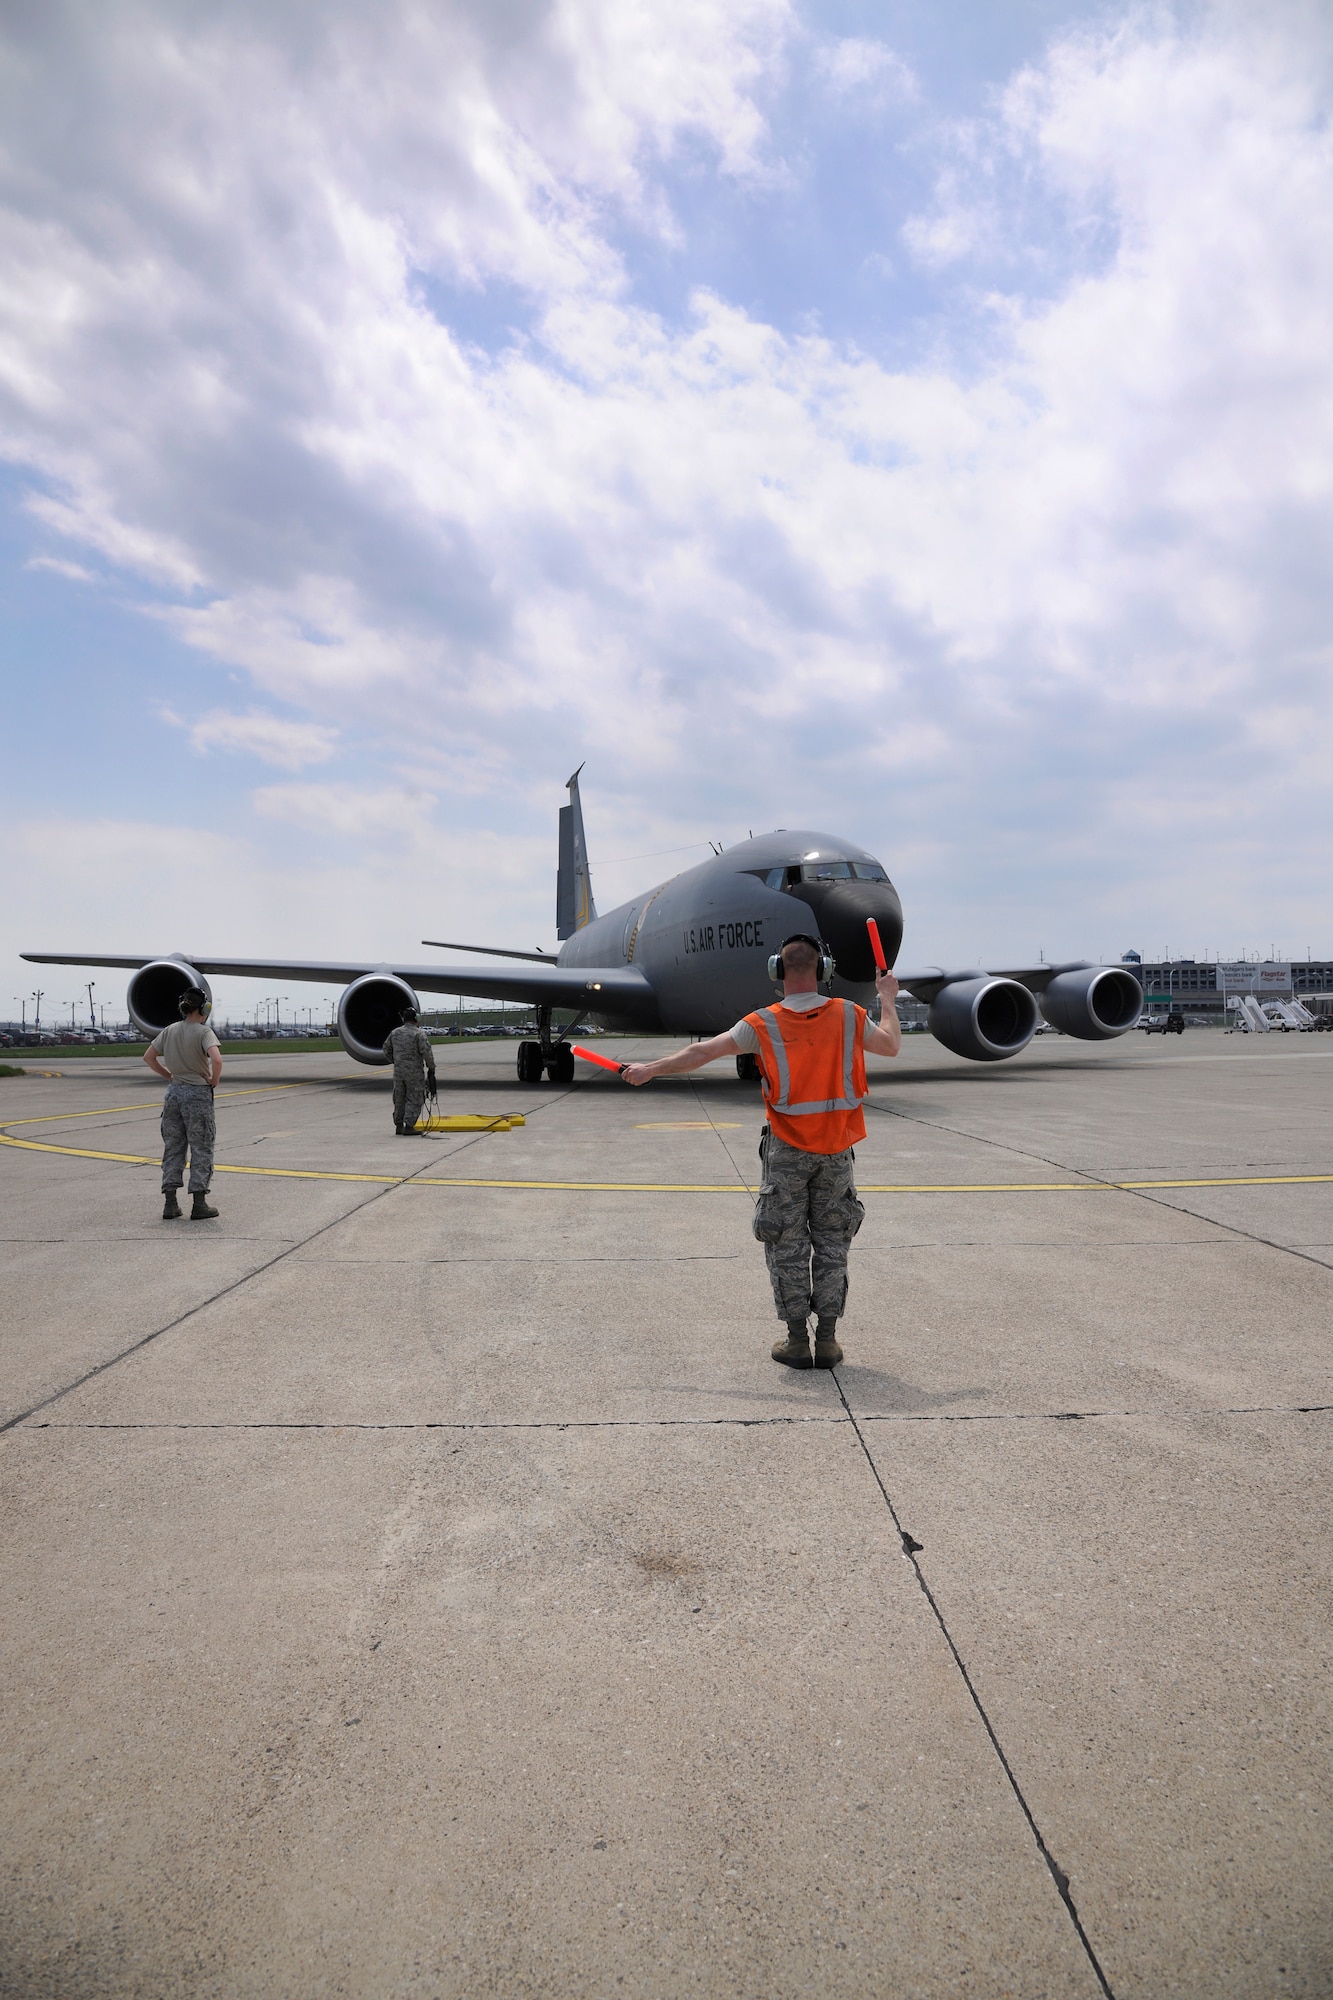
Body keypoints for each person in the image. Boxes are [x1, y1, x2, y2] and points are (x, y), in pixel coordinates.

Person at [623, 934, 901, 1368]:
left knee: (786, 1244)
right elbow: (891, 1044)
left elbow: (702, 1051)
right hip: (837, 1151)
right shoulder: (849, 1015)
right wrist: (888, 998)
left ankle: (795, 1342)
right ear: (823, 970)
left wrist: (650, 1070)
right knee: (833, 1243)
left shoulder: (762, 1023)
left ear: (778, 970)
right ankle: (826, 1342)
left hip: (787, 1151)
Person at [143, 987, 222, 1221]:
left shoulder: (169, 1030)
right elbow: (216, 1059)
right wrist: (213, 1080)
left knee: (173, 1146)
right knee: (201, 1147)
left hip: (174, 1093)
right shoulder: (204, 1032)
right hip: (197, 1094)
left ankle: (170, 1203)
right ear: (204, 1008)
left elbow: (148, 1057)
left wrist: (169, 1075)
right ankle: (199, 1203)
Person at [383, 1006, 437, 1135]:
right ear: (415, 1019)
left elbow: (386, 1049)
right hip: (414, 1073)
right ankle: (409, 1125)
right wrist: (431, 1067)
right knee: (415, 1097)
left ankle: (399, 1124)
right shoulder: (419, 1033)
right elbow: (427, 1053)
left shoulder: (394, 1033)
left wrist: (396, 1061)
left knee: (399, 1098)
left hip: (399, 1072)